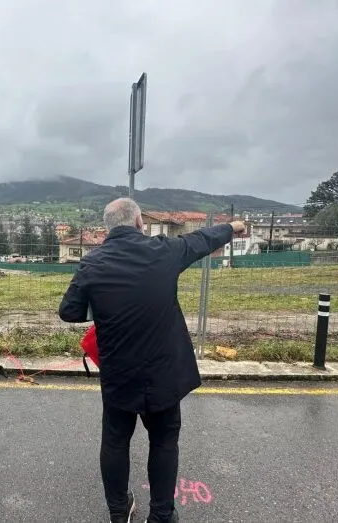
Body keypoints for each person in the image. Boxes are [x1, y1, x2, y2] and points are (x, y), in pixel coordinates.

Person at [58, 198, 245, 523]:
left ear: (108, 228)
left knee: (115, 442)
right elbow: (202, 241)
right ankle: (161, 515)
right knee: (164, 441)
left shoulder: (93, 263)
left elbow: (69, 312)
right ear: (139, 223)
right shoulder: (165, 251)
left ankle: (119, 511)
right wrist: (233, 227)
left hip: (119, 374)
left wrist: (104, 305)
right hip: (163, 374)